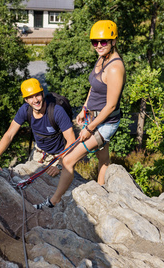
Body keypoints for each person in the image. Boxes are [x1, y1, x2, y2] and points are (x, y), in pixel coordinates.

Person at [33, 20, 126, 209]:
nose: (99, 45)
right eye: (95, 42)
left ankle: (54, 201)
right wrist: (85, 109)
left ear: (114, 41)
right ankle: (102, 193)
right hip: (93, 117)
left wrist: (90, 129)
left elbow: (111, 106)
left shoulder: (115, 67)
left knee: (67, 160)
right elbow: (94, 87)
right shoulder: (102, 59)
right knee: (103, 159)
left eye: (104, 41)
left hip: (105, 122)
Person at [0, 78, 76, 176]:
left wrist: (60, 164)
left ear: (42, 94)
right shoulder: (25, 110)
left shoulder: (56, 112)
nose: (35, 100)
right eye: (30, 97)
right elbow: (9, 134)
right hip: (39, 152)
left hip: (59, 156)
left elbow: (71, 140)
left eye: (37, 95)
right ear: (26, 100)